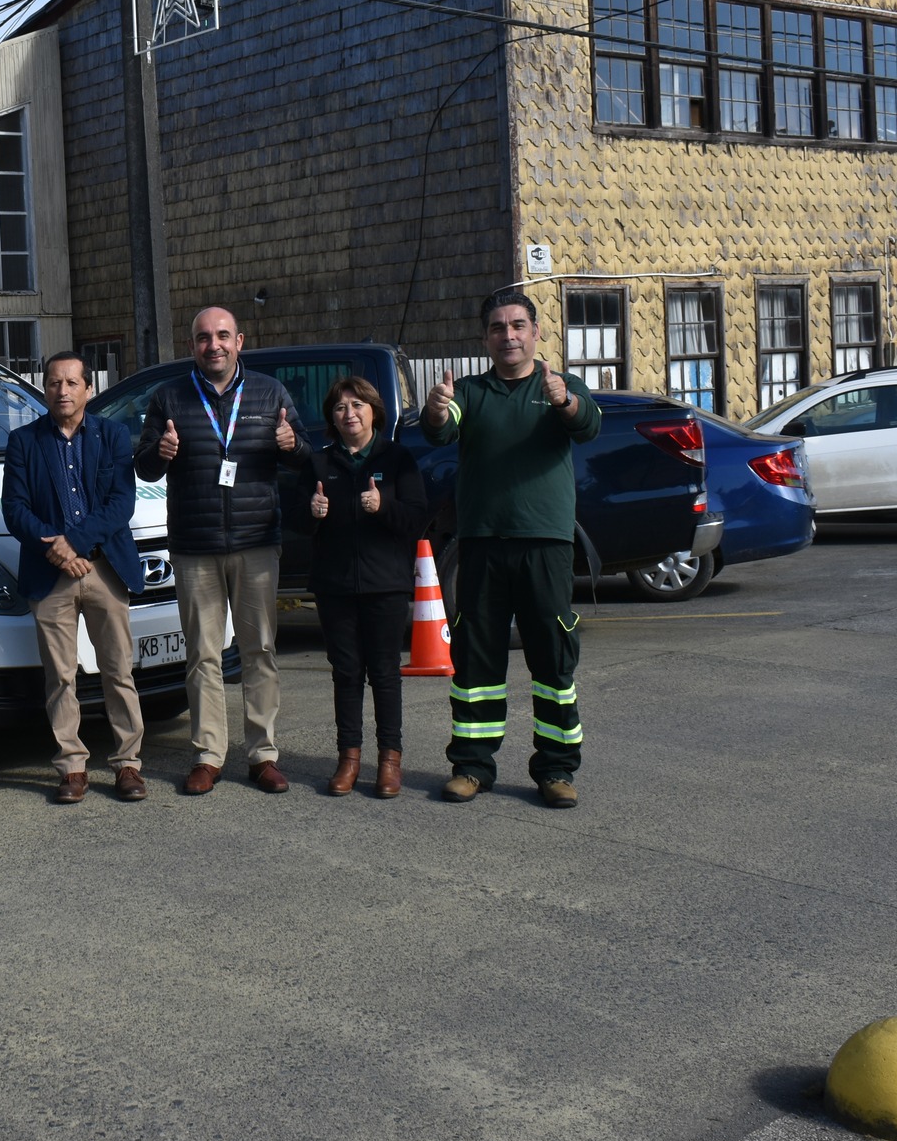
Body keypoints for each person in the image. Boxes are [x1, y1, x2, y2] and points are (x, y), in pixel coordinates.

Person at [422, 291, 602, 808]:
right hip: (481, 544)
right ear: (486, 339)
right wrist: (436, 412)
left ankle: (556, 770)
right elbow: (441, 431)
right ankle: (472, 767)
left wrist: (564, 400)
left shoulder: (561, 386)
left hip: (545, 543)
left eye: (518, 325)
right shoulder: (471, 391)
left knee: (552, 660)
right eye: (498, 328)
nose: (509, 336)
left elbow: (587, 426)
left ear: (536, 332)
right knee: (476, 662)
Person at [132, 306, 311, 795]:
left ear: (240, 342)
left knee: (260, 651)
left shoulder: (269, 393)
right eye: (204, 338)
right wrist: (159, 454)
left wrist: (291, 444)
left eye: (223, 336)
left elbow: (305, 457)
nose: (214, 345)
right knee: (203, 656)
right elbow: (144, 467)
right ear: (192, 346)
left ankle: (262, 755)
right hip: (195, 546)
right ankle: (208, 755)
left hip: (256, 543)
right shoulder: (168, 397)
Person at [1, 351, 148, 804]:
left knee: (117, 671)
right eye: (53, 383)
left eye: (71, 383)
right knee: (60, 676)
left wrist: (76, 543)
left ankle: (127, 764)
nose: (62, 391)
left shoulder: (113, 435)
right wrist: (58, 551)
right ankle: (72, 767)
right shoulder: (24, 441)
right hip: (51, 575)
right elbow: (15, 509)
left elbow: (122, 503)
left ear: (88, 389)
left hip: (104, 568)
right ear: (44, 389)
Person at [298, 375, 429, 798]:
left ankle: (390, 760)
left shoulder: (398, 459)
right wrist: (312, 512)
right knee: (346, 673)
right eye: (340, 408)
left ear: (374, 411)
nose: (348, 414)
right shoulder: (319, 464)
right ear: (331, 419)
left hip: (385, 585)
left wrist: (383, 506)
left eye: (357, 406)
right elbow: (295, 523)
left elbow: (416, 521)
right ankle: (348, 759)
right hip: (335, 586)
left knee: (386, 674)